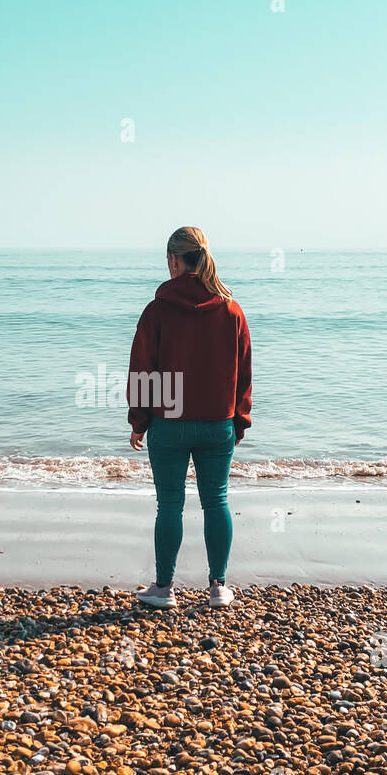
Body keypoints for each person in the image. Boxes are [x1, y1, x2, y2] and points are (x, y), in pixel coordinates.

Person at [127, 226, 252, 608]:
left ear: (174, 260)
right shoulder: (231, 310)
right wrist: (240, 418)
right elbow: (244, 369)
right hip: (218, 423)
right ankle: (218, 587)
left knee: (170, 504)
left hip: (169, 422)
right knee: (216, 501)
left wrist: (139, 420)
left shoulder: (157, 311)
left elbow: (143, 370)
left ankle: (164, 589)